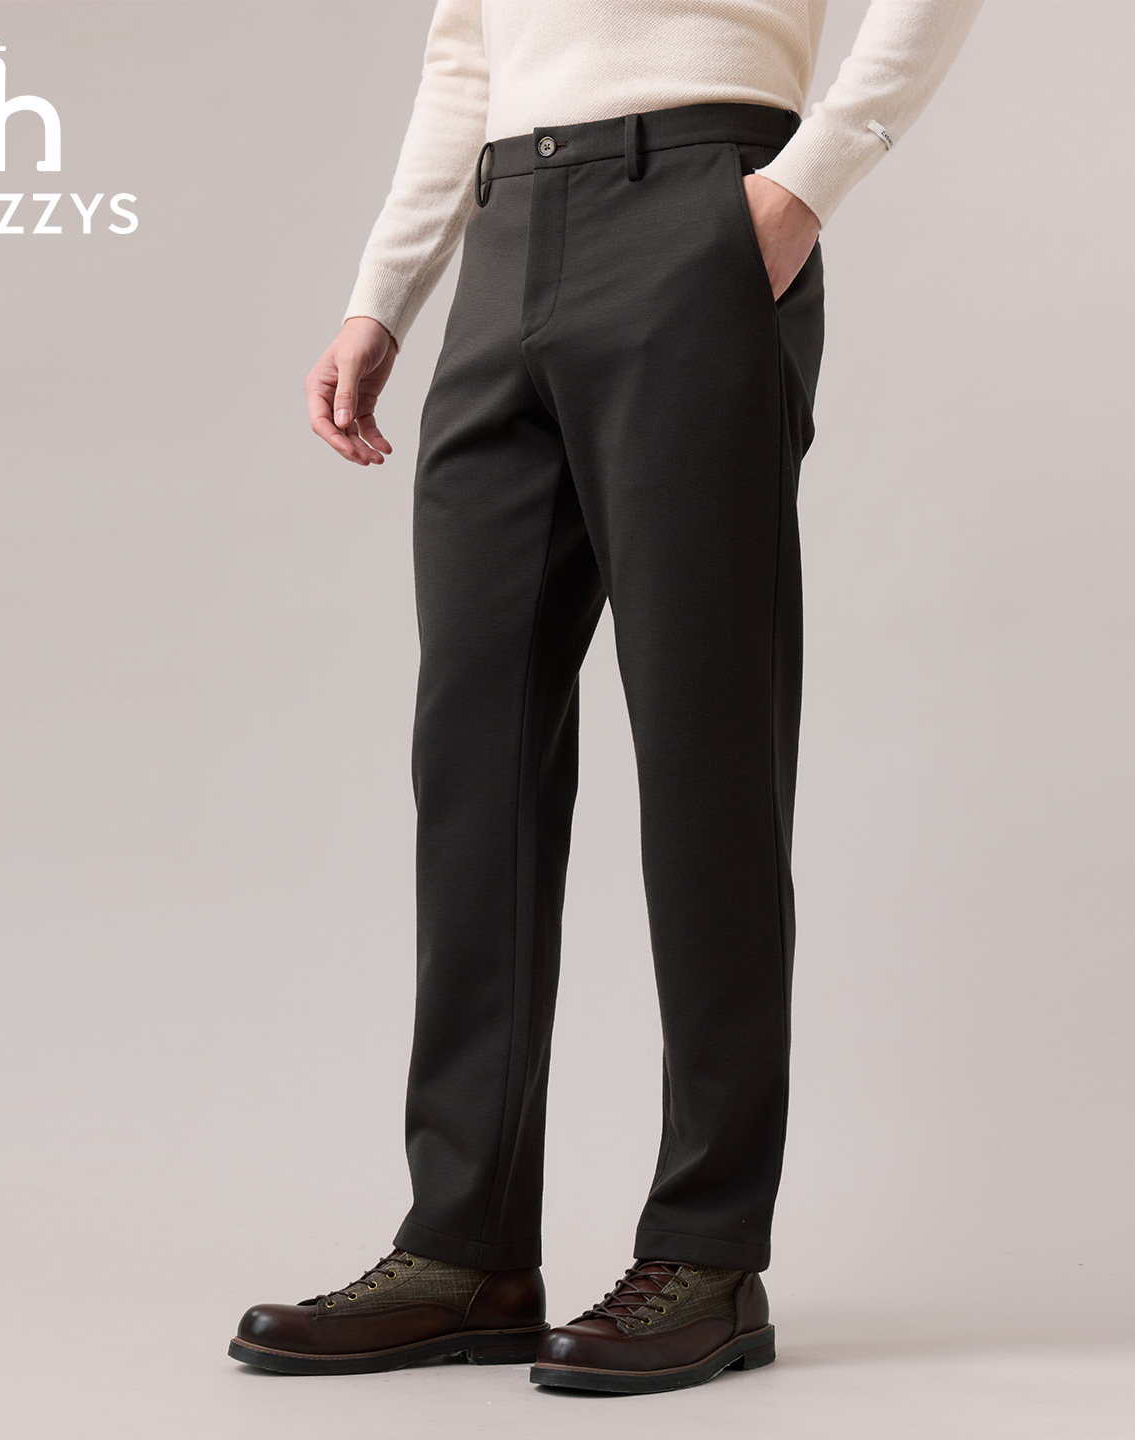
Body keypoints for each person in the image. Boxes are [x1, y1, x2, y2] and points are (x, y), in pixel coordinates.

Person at [229, 0, 983, 1395]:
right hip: (506, 232)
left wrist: (804, 186)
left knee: (704, 746)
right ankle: (464, 1247)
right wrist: (382, 293)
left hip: (700, 206)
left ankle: (708, 1250)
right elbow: (467, 51)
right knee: (474, 760)